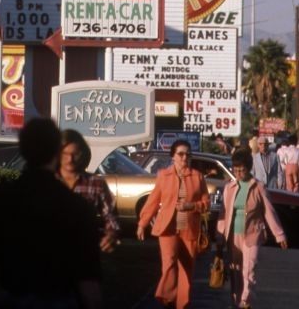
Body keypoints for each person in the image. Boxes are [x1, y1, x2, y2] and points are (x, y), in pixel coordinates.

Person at [0, 117, 101, 309]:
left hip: (12, 298)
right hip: (59, 298)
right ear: (56, 152)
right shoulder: (77, 207)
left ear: (23, 149)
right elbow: (88, 282)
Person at [136, 139, 209, 309]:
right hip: (168, 229)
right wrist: (143, 223)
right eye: (181, 154)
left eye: (187, 154)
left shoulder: (198, 177)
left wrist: (191, 206)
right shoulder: (164, 176)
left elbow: (206, 204)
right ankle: (167, 298)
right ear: (173, 157)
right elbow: (153, 201)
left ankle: (182, 304)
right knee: (169, 263)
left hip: (189, 229)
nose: (184, 158)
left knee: (186, 270)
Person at [216, 147, 287, 308]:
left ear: (249, 169)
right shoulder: (230, 188)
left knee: (249, 270)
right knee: (235, 270)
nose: (239, 174)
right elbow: (223, 213)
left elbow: (269, 212)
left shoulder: (258, 187)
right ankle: (236, 300)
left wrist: (280, 235)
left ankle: (245, 302)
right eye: (236, 170)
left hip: (252, 234)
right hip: (233, 235)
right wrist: (219, 236)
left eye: (242, 170)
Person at [58, 129, 121, 252]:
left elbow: (111, 217)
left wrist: (111, 234)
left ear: (82, 154)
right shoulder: (48, 181)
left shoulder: (96, 183)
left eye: (74, 154)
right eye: (65, 154)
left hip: (85, 252)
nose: (70, 159)